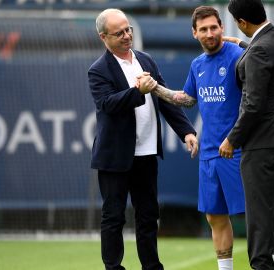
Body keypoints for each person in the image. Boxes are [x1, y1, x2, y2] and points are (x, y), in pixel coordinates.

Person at [138, 6, 274, 270]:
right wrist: (156, 89)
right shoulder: (197, 65)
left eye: (214, 27)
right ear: (194, 33)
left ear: (222, 28)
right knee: (215, 217)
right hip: (209, 153)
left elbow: (262, 87)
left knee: (257, 216)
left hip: (239, 150)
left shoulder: (239, 55)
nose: (210, 33)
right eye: (203, 29)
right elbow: (187, 99)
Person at [87, 8, 198, 270]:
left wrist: (187, 131)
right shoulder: (98, 70)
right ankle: (113, 267)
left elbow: (167, 100)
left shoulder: (146, 60)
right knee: (113, 217)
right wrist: (137, 91)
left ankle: (151, 266)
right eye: (119, 33)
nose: (127, 36)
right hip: (115, 157)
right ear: (104, 38)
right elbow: (108, 104)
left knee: (148, 215)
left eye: (129, 30)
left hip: (146, 153)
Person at [219, 0, 274, 269]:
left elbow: (253, 105)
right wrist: (242, 44)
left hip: (261, 142)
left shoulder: (257, 52)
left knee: (258, 213)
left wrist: (232, 139)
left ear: (243, 22)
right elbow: (262, 50)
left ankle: (261, 266)